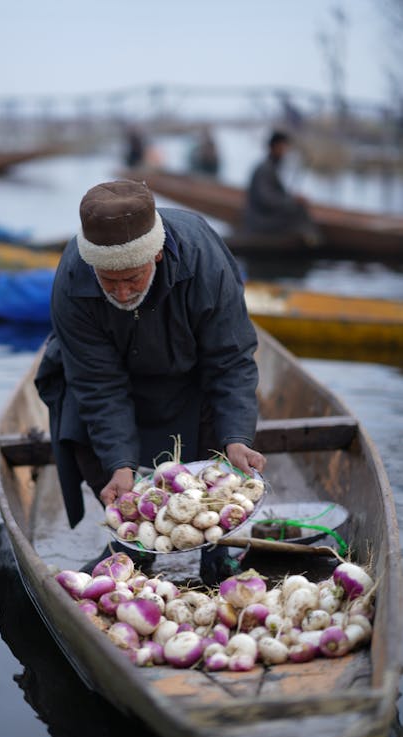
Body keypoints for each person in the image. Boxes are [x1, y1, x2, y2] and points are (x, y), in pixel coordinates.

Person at [35, 179, 266, 584]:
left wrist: (237, 437)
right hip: (111, 375)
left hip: (194, 374)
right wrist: (121, 464)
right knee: (78, 416)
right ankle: (132, 543)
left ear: (156, 255)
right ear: (93, 267)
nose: (122, 293)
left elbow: (229, 361)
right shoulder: (73, 277)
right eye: (109, 281)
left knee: (219, 449)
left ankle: (218, 549)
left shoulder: (203, 261)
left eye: (133, 279)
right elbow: (98, 384)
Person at [244, 130, 321, 245]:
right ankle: (312, 242)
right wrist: (293, 200)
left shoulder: (270, 167)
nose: (285, 151)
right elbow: (266, 199)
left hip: (262, 216)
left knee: (298, 208)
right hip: (259, 220)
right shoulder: (265, 169)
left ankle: (311, 239)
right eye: (282, 147)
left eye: (286, 148)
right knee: (299, 210)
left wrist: (292, 199)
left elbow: (276, 195)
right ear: (273, 147)